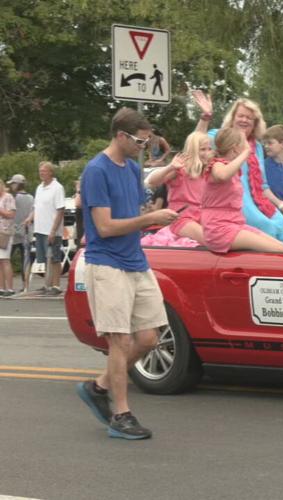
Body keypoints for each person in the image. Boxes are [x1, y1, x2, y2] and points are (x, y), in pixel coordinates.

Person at [75, 107, 181, 440]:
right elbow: (104, 227)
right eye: (139, 141)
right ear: (121, 136)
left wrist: (159, 211)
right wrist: (149, 220)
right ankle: (121, 415)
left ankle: (99, 386)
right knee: (119, 341)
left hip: (135, 260)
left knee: (150, 338)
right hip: (107, 263)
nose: (143, 147)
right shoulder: (96, 171)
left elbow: (138, 207)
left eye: (147, 142)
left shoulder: (132, 169)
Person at [192, 91, 283, 250]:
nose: (244, 120)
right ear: (233, 118)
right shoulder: (220, 137)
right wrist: (205, 116)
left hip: (259, 203)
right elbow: (196, 141)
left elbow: (263, 186)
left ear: (255, 123)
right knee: (267, 226)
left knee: (282, 222)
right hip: (232, 206)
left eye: (249, 117)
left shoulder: (258, 147)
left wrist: (282, 206)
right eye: (240, 115)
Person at [202, 128, 283, 253]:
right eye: (243, 144)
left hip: (235, 224)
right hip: (219, 228)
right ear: (235, 148)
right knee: (279, 251)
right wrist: (246, 153)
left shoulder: (230, 167)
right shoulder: (217, 164)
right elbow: (223, 175)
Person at [146, 131, 213, 244]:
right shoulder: (181, 170)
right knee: (211, 239)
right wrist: (170, 167)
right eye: (202, 149)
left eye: (209, 149)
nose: (207, 153)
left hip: (202, 218)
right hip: (182, 220)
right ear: (193, 151)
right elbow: (151, 181)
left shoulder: (209, 172)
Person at [26, 161, 65, 296]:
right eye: (40, 171)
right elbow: (37, 207)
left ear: (50, 172)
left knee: (54, 257)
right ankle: (47, 284)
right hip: (40, 228)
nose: (41, 173)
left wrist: (53, 230)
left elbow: (60, 210)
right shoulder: (39, 188)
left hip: (51, 229)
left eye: (44, 171)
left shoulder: (57, 187)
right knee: (43, 258)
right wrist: (30, 218)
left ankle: (56, 285)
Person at [7, 175, 33, 291]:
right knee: (25, 260)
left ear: (17, 184)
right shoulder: (31, 197)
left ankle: (6, 285)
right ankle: (25, 286)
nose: (11, 186)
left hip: (14, 232)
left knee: (6, 259)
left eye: (12, 184)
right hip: (27, 232)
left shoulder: (14, 198)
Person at [0, 179, 15, 297]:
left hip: (5, 232)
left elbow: (11, 214)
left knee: (5, 259)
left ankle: (9, 288)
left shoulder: (8, 197)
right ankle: (1, 287)